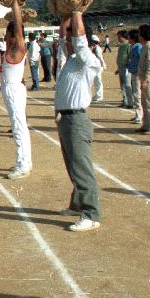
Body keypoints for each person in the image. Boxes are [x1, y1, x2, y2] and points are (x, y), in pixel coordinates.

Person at [55, 12, 103, 232]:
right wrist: (65, 15)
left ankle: (91, 214)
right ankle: (77, 205)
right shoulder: (72, 60)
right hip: (65, 119)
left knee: (82, 168)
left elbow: (80, 39)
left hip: (77, 119)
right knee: (72, 166)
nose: (68, 41)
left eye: (71, 38)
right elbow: (64, 36)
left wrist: (76, 11)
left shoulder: (88, 60)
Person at [0, 0, 32, 179]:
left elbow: (19, 29)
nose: (5, 37)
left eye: (7, 33)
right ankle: (24, 161)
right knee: (17, 126)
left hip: (13, 90)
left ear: (15, 35)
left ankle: (23, 164)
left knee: (19, 127)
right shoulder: (10, 48)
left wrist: (15, 5)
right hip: (11, 88)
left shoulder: (18, 47)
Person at [113, 30, 133, 109]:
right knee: (122, 86)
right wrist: (118, 68)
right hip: (121, 68)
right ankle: (125, 101)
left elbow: (129, 57)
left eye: (119, 37)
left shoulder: (128, 45)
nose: (118, 38)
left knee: (128, 85)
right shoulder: (121, 46)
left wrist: (128, 67)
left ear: (124, 37)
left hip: (126, 68)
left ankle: (130, 102)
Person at [127, 30, 143, 123]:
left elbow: (142, 60)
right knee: (136, 94)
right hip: (133, 72)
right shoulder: (133, 46)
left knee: (137, 95)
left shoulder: (138, 47)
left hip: (137, 73)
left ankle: (139, 116)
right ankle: (137, 114)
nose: (128, 38)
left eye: (129, 36)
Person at [90, 35, 106, 103]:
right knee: (96, 81)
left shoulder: (97, 49)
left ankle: (99, 96)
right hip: (95, 66)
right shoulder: (94, 48)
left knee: (98, 81)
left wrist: (103, 65)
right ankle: (97, 95)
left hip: (98, 67)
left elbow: (100, 58)